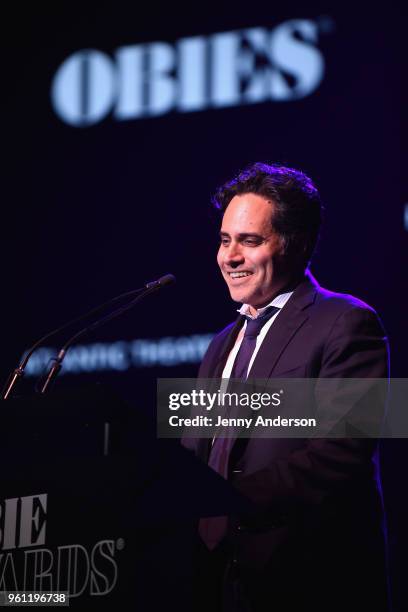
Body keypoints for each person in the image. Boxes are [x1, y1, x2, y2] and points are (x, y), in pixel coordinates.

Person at [185, 163, 390, 612]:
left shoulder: (346, 322)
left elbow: (342, 451)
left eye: (249, 241)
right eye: (224, 240)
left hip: (303, 580)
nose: (229, 257)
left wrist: (232, 500)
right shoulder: (221, 345)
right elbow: (192, 459)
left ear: (294, 243)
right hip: (213, 583)